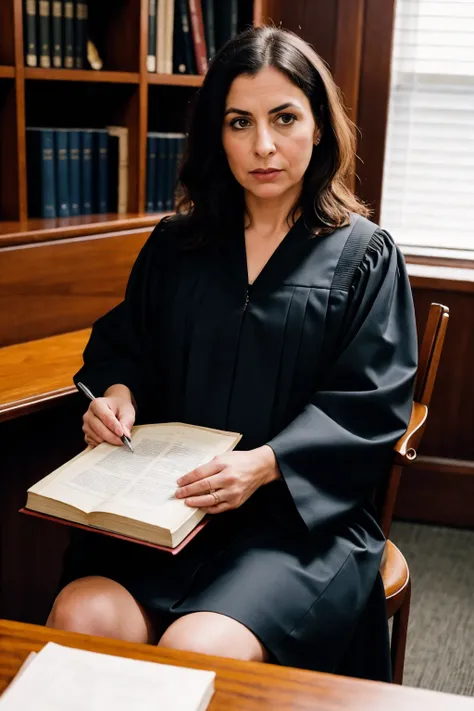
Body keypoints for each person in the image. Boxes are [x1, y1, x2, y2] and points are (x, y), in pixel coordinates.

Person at [46, 26, 418, 681]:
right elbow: (125, 347)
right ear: (216, 136)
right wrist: (115, 400)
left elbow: (371, 402)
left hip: (296, 526)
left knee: (196, 647)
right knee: (81, 616)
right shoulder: (178, 244)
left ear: (320, 127)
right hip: (169, 514)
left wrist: (265, 465)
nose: (263, 145)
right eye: (239, 122)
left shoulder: (364, 255)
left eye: (284, 118)